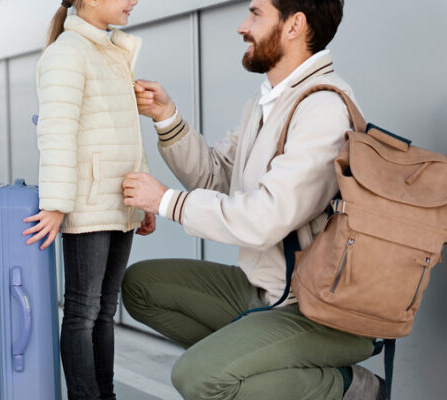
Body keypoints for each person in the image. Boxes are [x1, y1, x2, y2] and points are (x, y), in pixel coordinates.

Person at [119, 0, 385, 399]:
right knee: (141, 286)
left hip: (317, 310)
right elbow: (216, 176)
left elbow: (266, 218)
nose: (243, 26)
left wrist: (168, 202)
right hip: (265, 291)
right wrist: (166, 117)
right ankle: (249, 364)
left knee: (196, 378)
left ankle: (347, 387)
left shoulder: (323, 110)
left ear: (295, 25)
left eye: (256, 13)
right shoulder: (269, 103)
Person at [22, 1, 155, 399]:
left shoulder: (112, 50)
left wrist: (143, 196)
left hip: (119, 202)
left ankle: (105, 396)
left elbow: (127, 135)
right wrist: (57, 205)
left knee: (104, 312)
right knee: (82, 313)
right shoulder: (66, 53)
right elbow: (56, 133)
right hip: (88, 203)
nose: (134, 1)